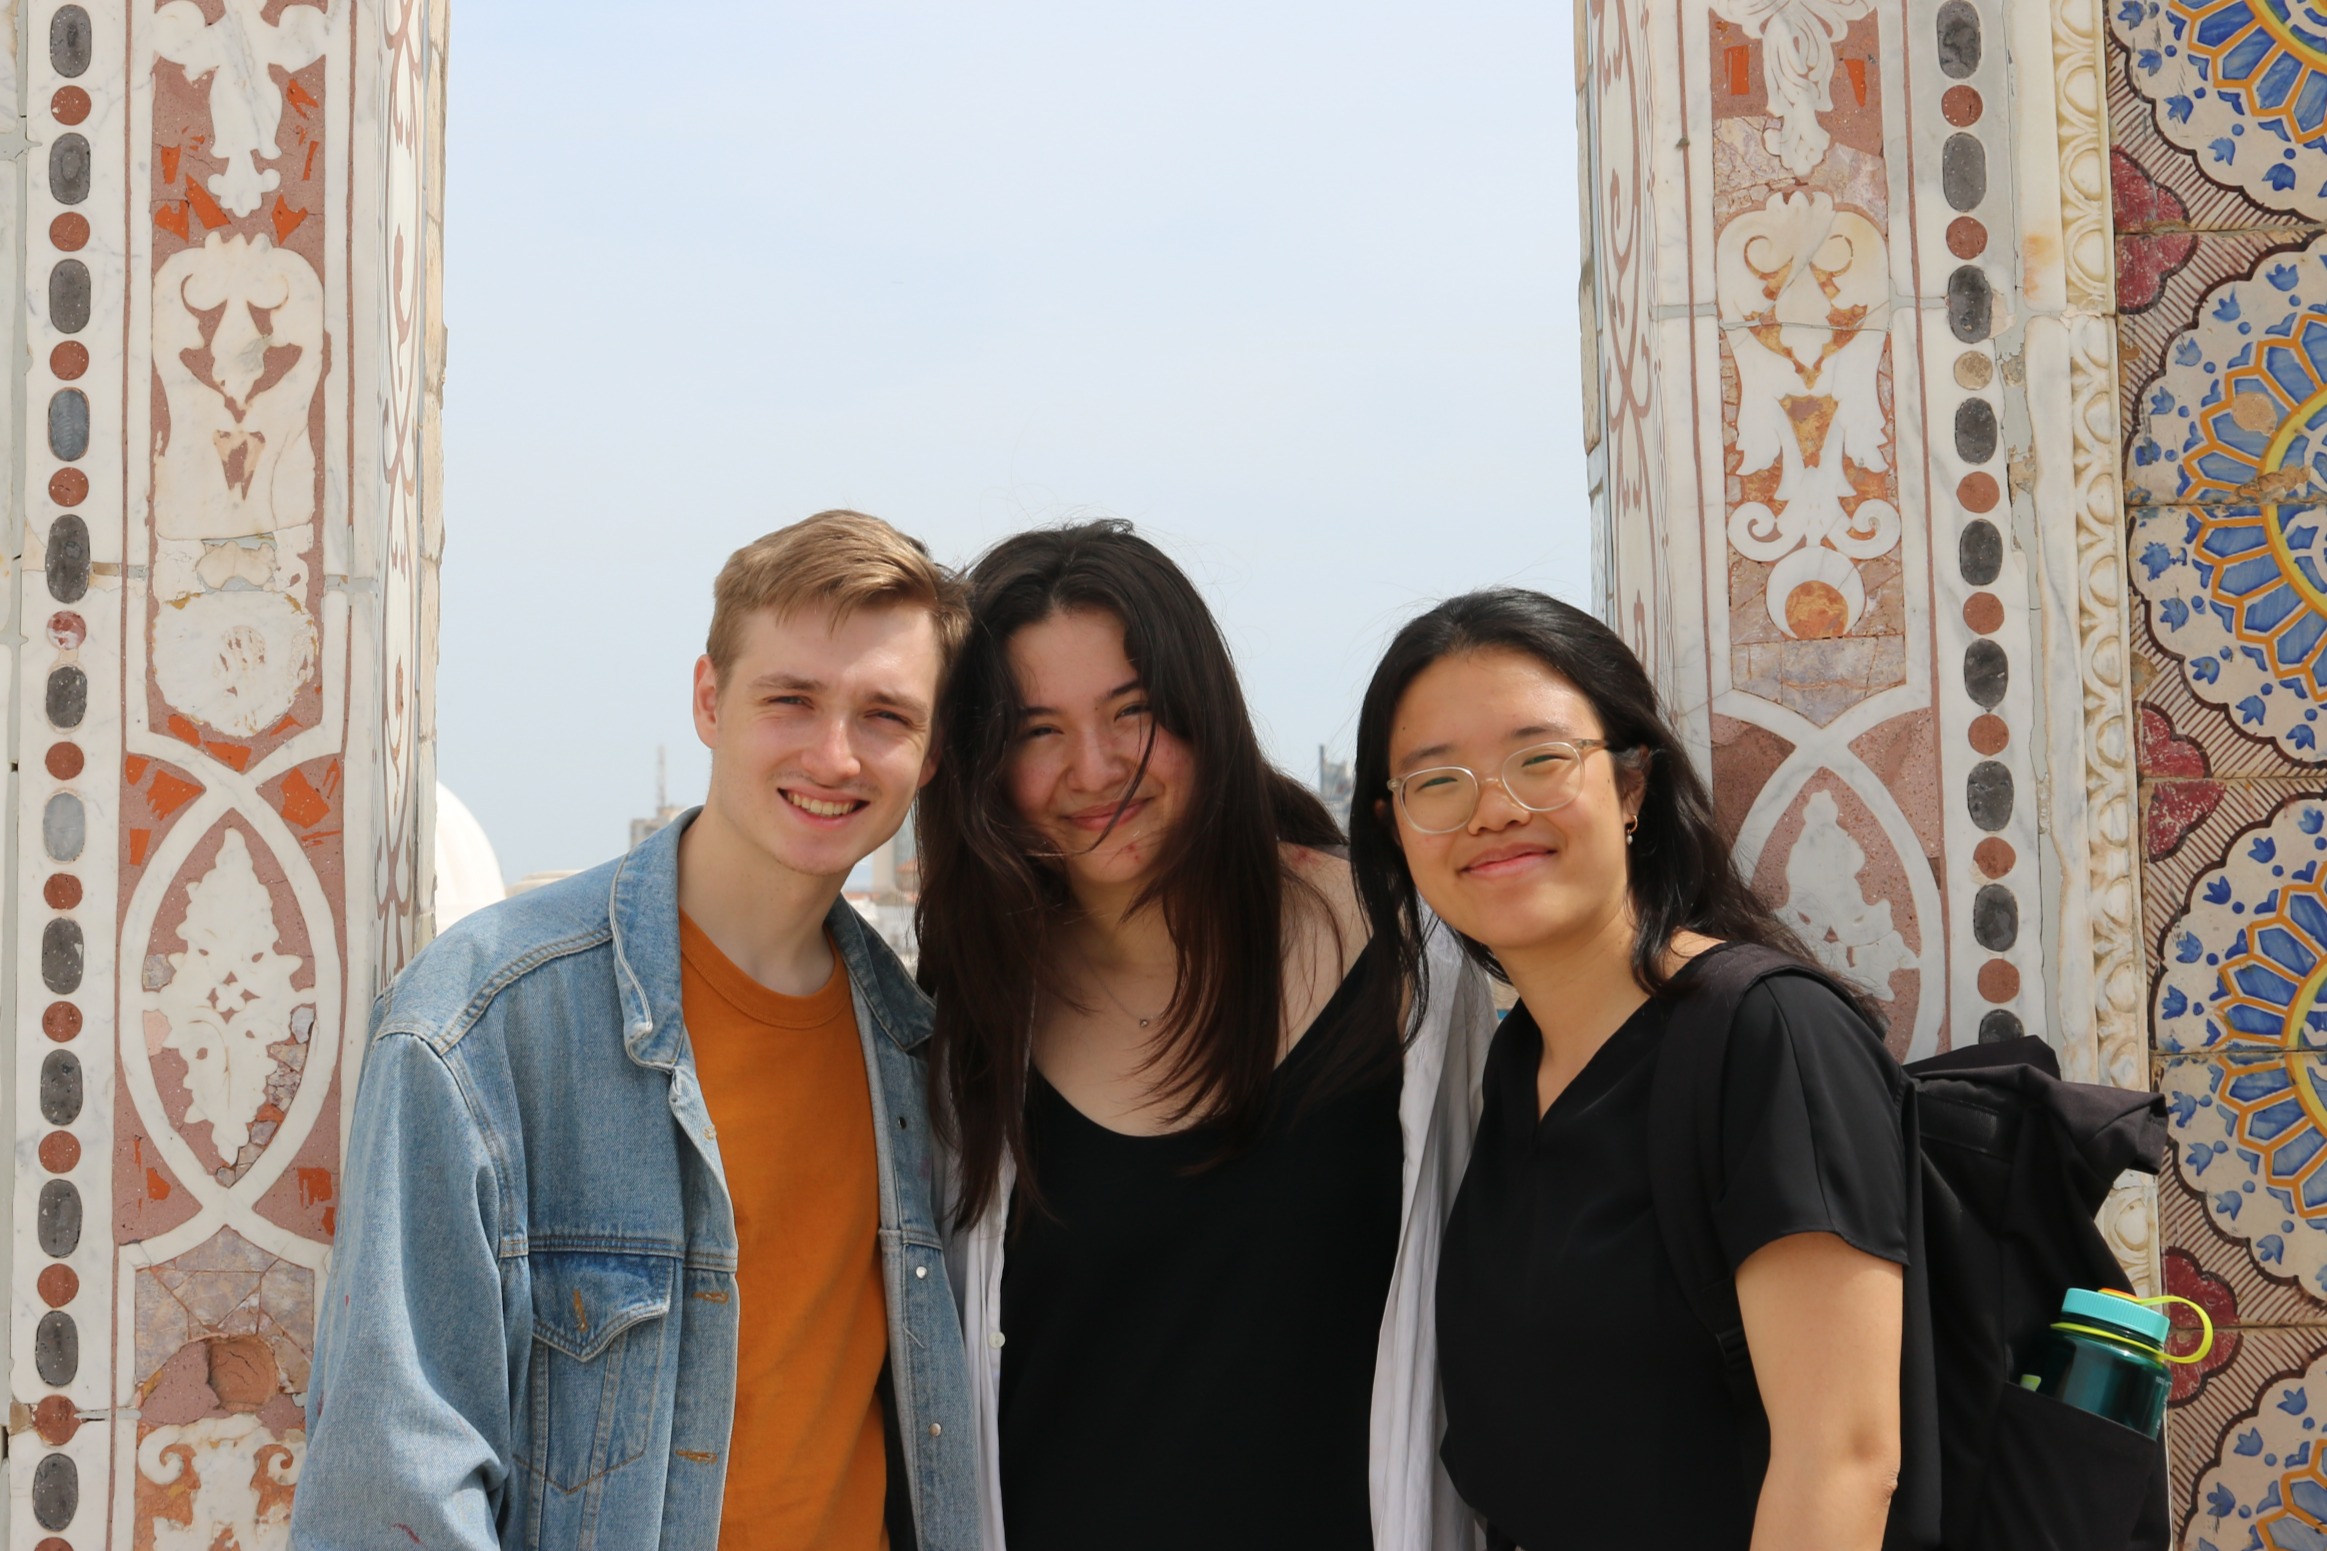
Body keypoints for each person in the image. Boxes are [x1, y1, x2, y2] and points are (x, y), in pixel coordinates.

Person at [292, 512, 981, 1551]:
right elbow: (395, 1490)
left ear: (930, 756)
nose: (833, 754)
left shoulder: (917, 1052)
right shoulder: (486, 1021)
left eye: (885, 714)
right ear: (708, 700)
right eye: (790, 699)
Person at [917, 520, 1495, 1551]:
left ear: (1203, 711)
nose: (1095, 768)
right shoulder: (970, 1013)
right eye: (1037, 731)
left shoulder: (1411, 962)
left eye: (1133, 713)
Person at [1349, 588, 1907, 1551]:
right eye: (1436, 782)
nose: (1494, 811)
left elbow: (1843, 1458)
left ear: (1632, 784)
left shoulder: (1763, 1036)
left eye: (1539, 760)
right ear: (1395, 827)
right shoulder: (1513, 1065)